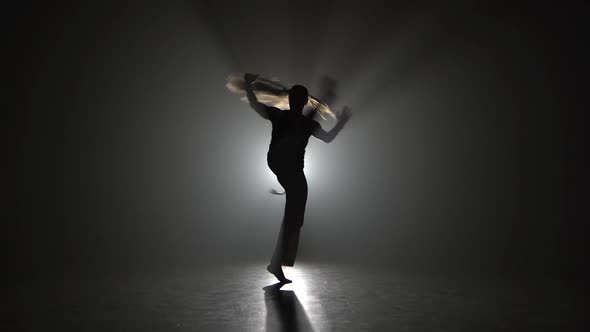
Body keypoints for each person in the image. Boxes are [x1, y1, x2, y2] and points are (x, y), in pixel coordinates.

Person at [244, 73, 351, 283]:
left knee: (294, 219)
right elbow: (255, 104)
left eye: (299, 99)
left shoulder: (299, 121)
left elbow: (327, 138)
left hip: (286, 168)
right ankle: (276, 263)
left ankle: (276, 263)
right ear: (296, 100)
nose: (296, 101)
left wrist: (341, 121)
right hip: (285, 167)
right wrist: (249, 86)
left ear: (300, 101)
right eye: (296, 98)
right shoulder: (284, 117)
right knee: (293, 219)